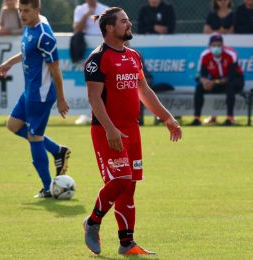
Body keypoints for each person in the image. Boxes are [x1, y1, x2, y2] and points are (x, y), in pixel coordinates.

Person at [82, 7, 182, 256]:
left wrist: (167, 118)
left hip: (132, 130)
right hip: (107, 131)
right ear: (109, 28)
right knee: (120, 180)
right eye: (124, 21)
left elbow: (144, 91)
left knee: (130, 186)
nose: (129, 24)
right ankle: (92, 223)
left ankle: (126, 242)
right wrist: (110, 129)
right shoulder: (97, 59)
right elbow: (95, 99)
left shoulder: (133, 56)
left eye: (128, 21)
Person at [0, 0, 71, 198]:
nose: (22, 15)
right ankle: (57, 150)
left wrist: (61, 99)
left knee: (34, 137)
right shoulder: (31, 26)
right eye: (20, 10)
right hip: (30, 91)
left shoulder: (45, 36)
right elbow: (28, 51)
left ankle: (48, 188)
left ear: (38, 10)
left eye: (26, 11)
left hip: (41, 95)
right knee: (12, 125)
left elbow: (56, 70)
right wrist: (9, 63)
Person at [190, 33, 244, 126]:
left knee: (229, 86)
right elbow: (201, 75)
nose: (217, 47)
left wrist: (213, 82)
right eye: (214, 45)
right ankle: (196, 118)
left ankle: (230, 118)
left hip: (235, 80)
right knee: (199, 88)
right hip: (215, 82)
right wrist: (205, 82)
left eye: (219, 45)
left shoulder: (231, 54)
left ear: (223, 46)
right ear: (209, 46)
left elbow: (230, 77)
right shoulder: (205, 56)